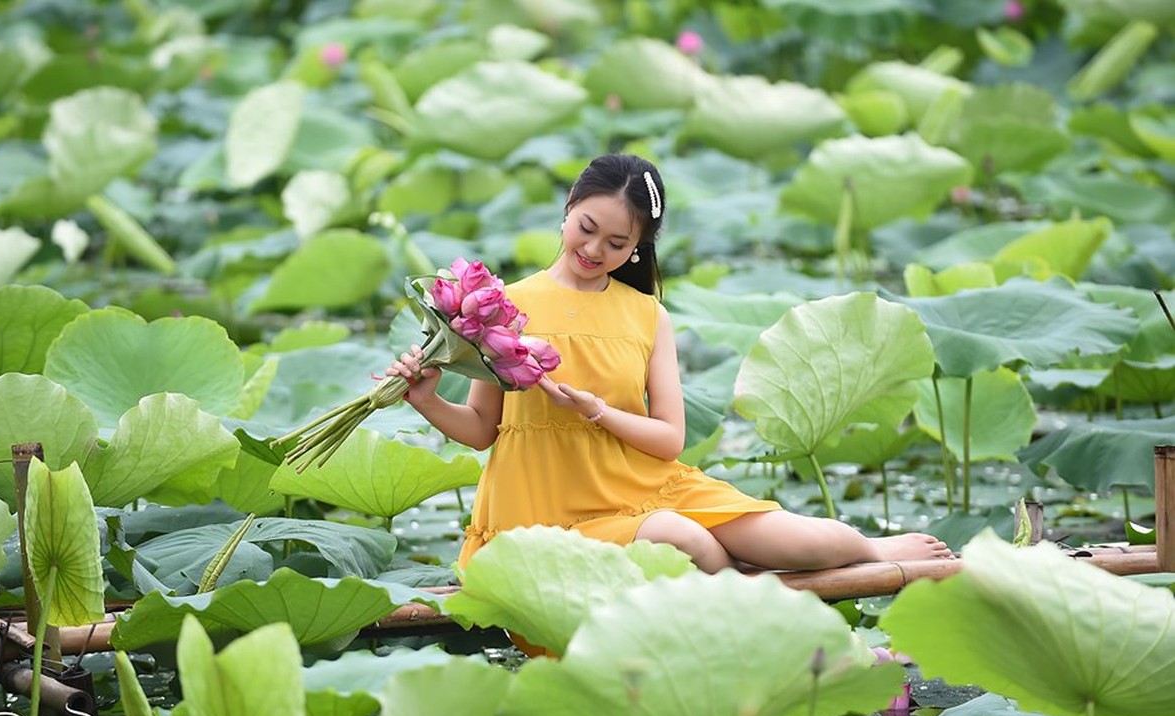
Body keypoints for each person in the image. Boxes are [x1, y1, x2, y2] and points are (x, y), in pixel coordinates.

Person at [386, 153, 952, 573]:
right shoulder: (505, 305)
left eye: (616, 242)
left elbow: (669, 439)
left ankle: (868, 550)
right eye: (587, 228)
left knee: (807, 542)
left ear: (636, 248)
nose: (593, 250)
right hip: (545, 512)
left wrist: (598, 412)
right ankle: (746, 597)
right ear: (568, 210)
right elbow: (483, 430)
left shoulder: (648, 314)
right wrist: (428, 400)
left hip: (646, 485)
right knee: (687, 541)